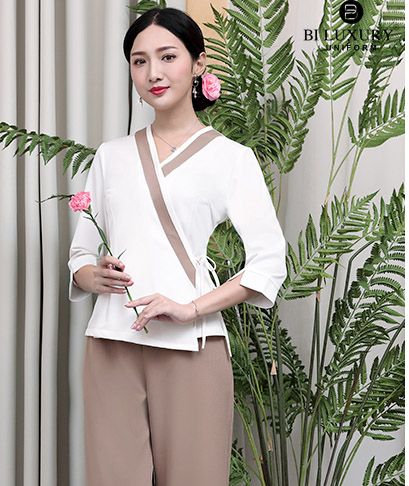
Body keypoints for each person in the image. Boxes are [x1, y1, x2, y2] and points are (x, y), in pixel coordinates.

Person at [68, 7, 287, 486]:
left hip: (193, 346)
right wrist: (93, 274)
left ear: (198, 63)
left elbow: (269, 262)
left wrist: (191, 308)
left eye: (168, 56)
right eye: (140, 61)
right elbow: (80, 257)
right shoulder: (111, 156)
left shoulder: (232, 159)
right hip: (111, 343)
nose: (154, 72)